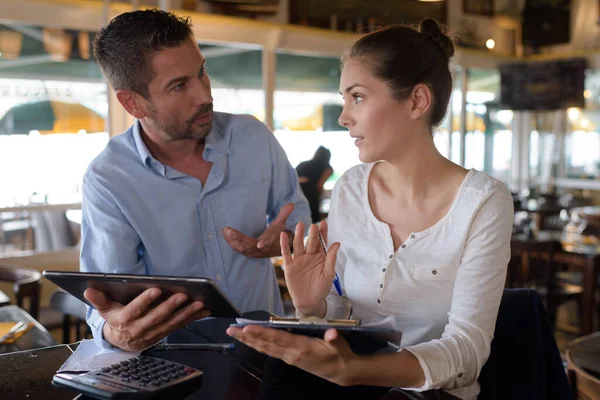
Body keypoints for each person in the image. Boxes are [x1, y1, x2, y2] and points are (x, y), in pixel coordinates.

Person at [227, 18, 513, 400]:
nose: (344, 116)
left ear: (416, 101)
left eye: (357, 97)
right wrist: (313, 306)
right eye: (344, 99)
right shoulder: (350, 188)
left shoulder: (483, 202)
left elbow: (467, 351)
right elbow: (340, 311)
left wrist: (356, 372)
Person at [80, 9, 311, 351]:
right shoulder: (108, 179)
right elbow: (108, 300)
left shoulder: (254, 139)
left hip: (268, 348)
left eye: (201, 72)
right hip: (174, 360)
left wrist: (287, 237)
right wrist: (115, 332)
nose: (204, 95)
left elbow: (298, 220)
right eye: (178, 85)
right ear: (133, 103)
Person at [296, 146, 334, 223]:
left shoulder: (302, 164)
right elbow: (320, 185)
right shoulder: (328, 168)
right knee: (312, 223)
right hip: (312, 197)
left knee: (298, 224)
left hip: (297, 196)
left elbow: (292, 180)